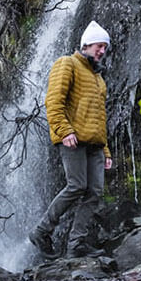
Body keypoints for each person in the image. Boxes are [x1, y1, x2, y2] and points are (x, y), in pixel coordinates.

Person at [29, 21, 114, 259]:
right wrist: (64, 130)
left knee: (94, 192)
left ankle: (76, 244)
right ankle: (41, 231)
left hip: (95, 144)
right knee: (77, 185)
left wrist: (106, 151)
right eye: (99, 46)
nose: (102, 51)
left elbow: (100, 117)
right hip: (73, 139)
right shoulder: (67, 63)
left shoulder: (99, 78)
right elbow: (53, 101)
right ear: (86, 44)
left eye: (105, 47)